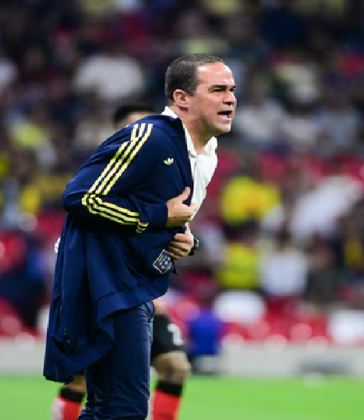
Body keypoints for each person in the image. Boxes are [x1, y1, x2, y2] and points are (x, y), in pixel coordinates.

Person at [43, 53, 236, 420]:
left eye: (231, 90)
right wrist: (160, 216)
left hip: (135, 284)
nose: (230, 98)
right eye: (217, 90)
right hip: (107, 284)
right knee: (122, 409)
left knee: (110, 409)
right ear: (182, 98)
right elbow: (80, 197)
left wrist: (184, 238)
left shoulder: (204, 153)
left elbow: (164, 215)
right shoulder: (150, 135)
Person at [52, 103, 195, 420]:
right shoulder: (101, 177)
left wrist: (188, 242)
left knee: (175, 368)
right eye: (136, 129)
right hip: (102, 296)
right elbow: (76, 220)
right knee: (83, 382)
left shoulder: (162, 180)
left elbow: (172, 234)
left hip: (142, 298)